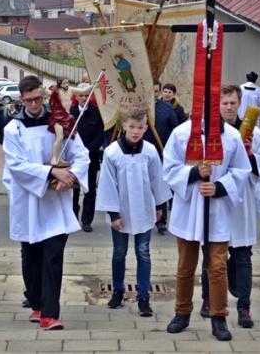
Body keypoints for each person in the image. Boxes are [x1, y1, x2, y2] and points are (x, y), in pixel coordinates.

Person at [2, 75, 90, 331]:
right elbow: (17, 166)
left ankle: (50, 314)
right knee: (32, 258)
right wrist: (52, 173)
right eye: (29, 100)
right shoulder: (14, 129)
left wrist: (70, 177)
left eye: (38, 98)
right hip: (29, 202)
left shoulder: (60, 122)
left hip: (55, 204)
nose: (34, 104)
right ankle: (37, 303)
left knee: (53, 257)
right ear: (21, 99)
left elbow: (81, 155)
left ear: (43, 96)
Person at [162, 111, 251, 341]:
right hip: (189, 208)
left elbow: (241, 170)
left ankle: (218, 317)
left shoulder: (231, 136)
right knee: (185, 265)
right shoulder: (181, 133)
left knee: (218, 266)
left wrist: (219, 187)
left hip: (217, 210)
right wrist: (194, 172)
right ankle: (182, 312)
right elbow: (169, 167)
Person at [199, 85, 260, 328]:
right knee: (211, 255)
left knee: (242, 256)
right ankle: (208, 299)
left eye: (233, 103)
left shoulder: (252, 133)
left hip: (241, 201)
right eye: (224, 103)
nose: (228, 108)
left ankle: (244, 306)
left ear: (239, 103)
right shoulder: (209, 132)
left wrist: (249, 155)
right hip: (216, 198)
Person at [96, 107, 172, 317]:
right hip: (120, 210)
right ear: (124, 126)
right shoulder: (112, 152)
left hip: (144, 208)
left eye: (140, 127)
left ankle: (143, 296)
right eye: (132, 127)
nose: (136, 131)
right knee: (119, 252)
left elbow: (157, 179)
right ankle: (118, 291)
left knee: (143, 252)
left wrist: (159, 207)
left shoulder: (150, 151)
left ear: (146, 127)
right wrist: (113, 215)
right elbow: (107, 185)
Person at [69, 82, 105, 232]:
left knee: (89, 191)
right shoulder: (71, 111)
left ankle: (86, 221)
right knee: (73, 191)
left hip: (90, 157)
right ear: (76, 97)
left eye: (86, 95)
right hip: (73, 159)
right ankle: (72, 218)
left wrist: (88, 151)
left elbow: (100, 135)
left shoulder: (96, 112)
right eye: (81, 95)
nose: (84, 98)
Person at [144, 81, 178, 234]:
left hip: (160, 152)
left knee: (160, 186)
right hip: (141, 153)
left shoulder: (167, 108)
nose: (153, 94)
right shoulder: (139, 107)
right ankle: (144, 217)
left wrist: (168, 146)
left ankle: (161, 221)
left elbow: (175, 129)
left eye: (156, 91)